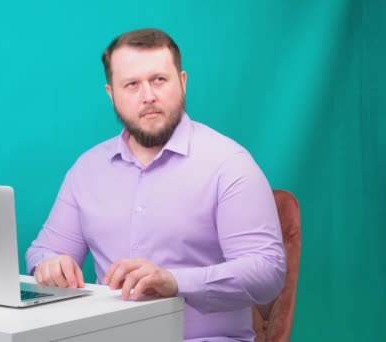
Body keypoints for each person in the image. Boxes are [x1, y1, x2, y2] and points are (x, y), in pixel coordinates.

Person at [25, 28, 285, 342]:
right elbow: (43, 251)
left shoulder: (229, 163)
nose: (148, 95)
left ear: (183, 82)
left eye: (159, 80)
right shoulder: (87, 169)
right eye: (132, 84)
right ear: (112, 94)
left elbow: (267, 273)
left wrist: (175, 282)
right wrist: (49, 264)